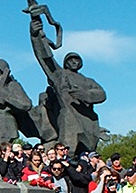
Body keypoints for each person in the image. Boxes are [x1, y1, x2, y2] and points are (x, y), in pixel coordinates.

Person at [29, 12, 106, 157]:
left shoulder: (88, 81)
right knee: (67, 148)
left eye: (77, 60)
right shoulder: (60, 75)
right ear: (65, 63)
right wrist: (35, 36)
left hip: (88, 121)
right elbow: (45, 58)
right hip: (68, 118)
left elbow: (102, 94)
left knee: (87, 155)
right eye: (70, 60)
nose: (74, 62)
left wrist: (85, 95)